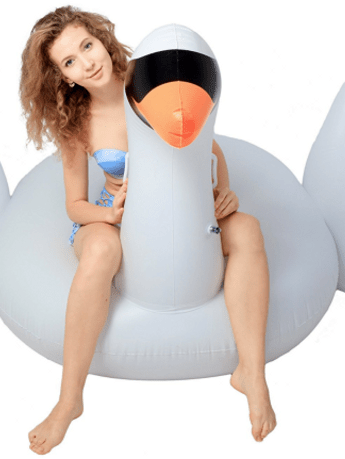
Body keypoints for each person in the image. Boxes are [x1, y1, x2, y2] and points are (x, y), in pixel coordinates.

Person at [19, 6, 276, 455]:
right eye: (70, 62)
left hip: (181, 204)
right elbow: (75, 205)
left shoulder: (144, 84)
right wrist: (110, 216)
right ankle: (69, 400)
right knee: (101, 250)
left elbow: (208, 145)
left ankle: (251, 373)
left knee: (249, 229)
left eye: (87, 46)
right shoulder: (77, 124)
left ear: (103, 40)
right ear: (64, 77)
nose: (87, 62)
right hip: (113, 215)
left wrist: (224, 189)